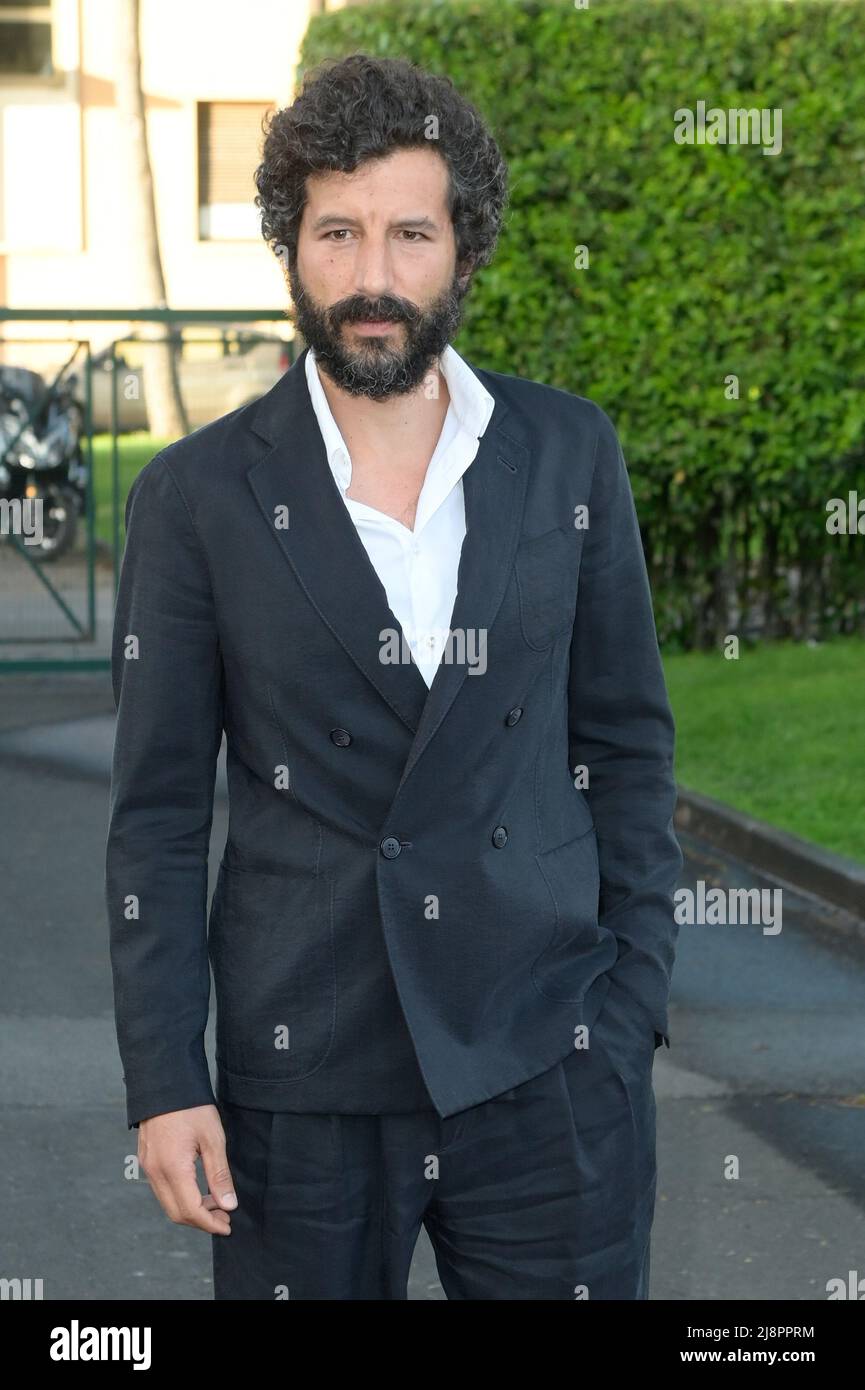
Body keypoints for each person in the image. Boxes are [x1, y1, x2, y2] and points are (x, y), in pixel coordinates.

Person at [106, 52, 683, 1301]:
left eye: (409, 233)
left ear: (462, 251)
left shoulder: (568, 456)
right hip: (297, 1090)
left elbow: (627, 745)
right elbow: (155, 818)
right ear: (292, 249)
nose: (373, 277)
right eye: (338, 233)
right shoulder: (195, 498)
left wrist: (630, 1005)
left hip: (548, 1062)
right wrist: (168, 1080)